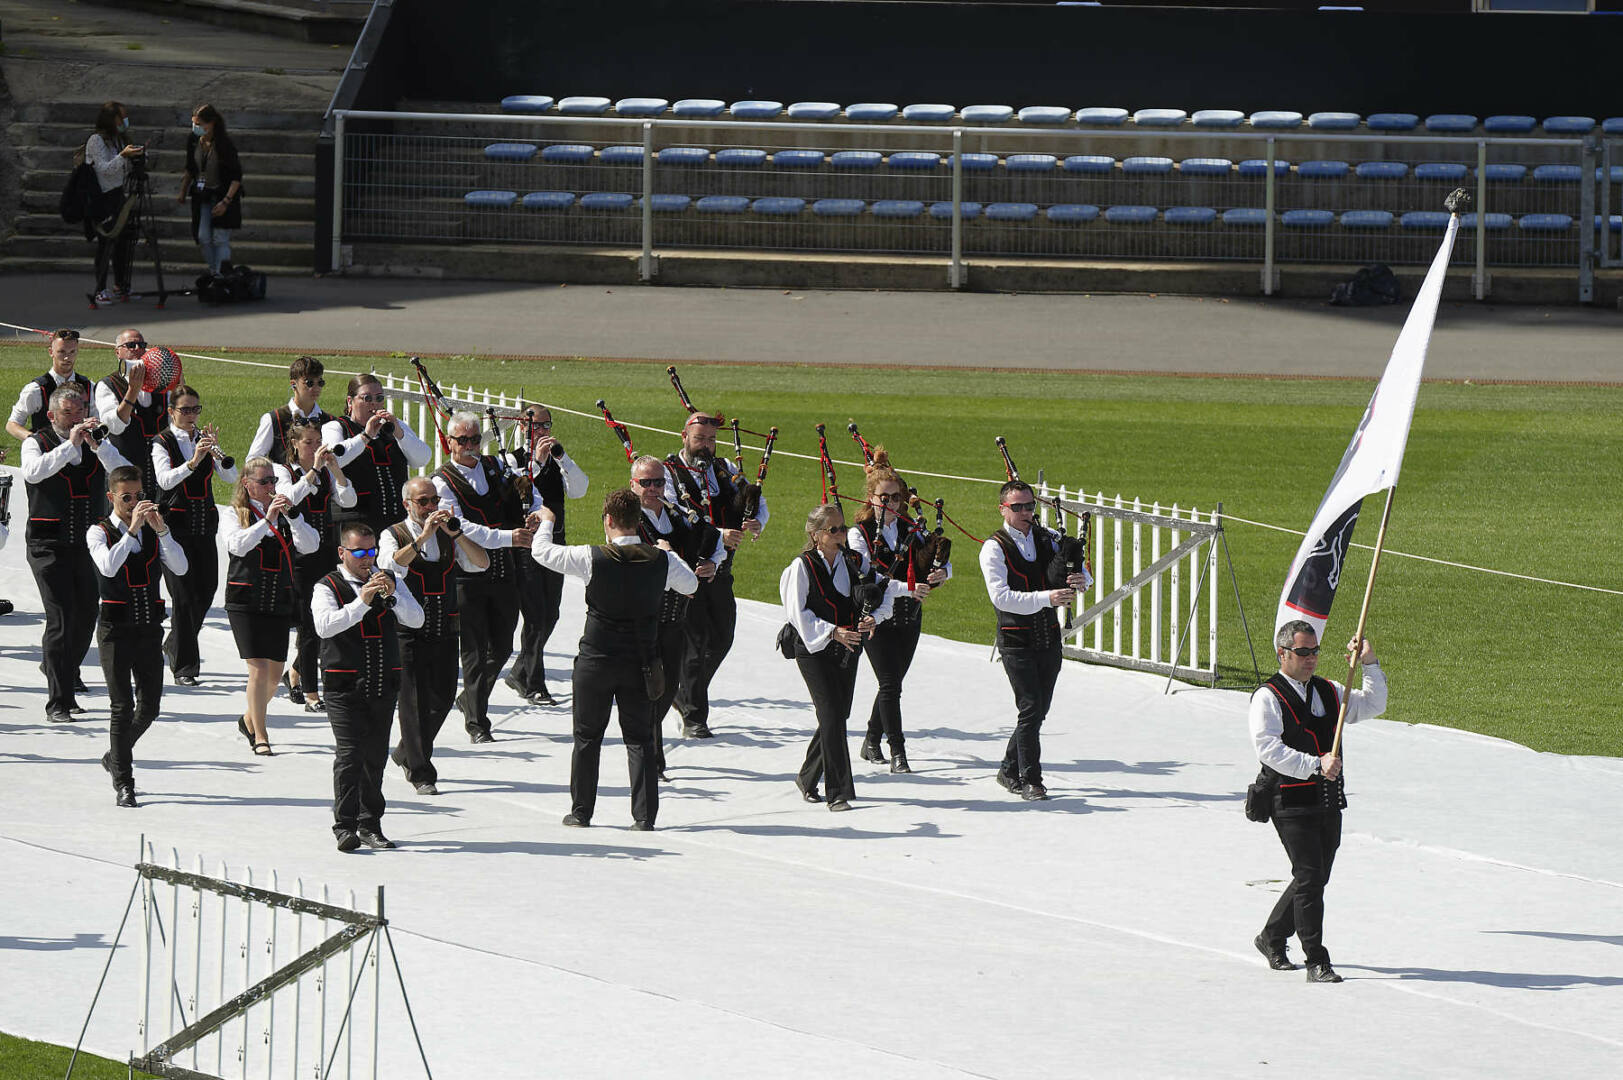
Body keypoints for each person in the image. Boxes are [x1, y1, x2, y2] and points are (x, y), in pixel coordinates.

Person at [531, 488, 697, 829]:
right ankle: (645, 816)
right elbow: (691, 585)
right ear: (638, 521)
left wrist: (547, 522)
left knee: (587, 738)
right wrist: (669, 552)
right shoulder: (659, 560)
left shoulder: (592, 557)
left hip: (596, 661)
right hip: (641, 662)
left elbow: (541, 552)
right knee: (640, 739)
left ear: (608, 520)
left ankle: (581, 812)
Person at [1250, 621, 1387, 984]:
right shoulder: (1268, 697)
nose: (1311, 659)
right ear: (1283, 654)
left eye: (1314, 651)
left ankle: (1272, 937)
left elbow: (1374, 704)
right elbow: (1269, 750)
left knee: (1313, 877)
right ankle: (1316, 960)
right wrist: (1314, 764)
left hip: (1327, 799)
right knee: (1310, 877)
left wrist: (1370, 663)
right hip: (1289, 801)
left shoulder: (1329, 689)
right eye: (1303, 652)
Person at [22, 383, 131, 721]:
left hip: (83, 544)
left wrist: (100, 447)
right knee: (61, 618)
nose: (76, 418)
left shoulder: (95, 442)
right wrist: (70, 445)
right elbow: (33, 472)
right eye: (69, 413)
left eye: (80, 410)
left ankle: (64, 678)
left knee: (85, 617)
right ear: (53, 415)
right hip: (47, 545)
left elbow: (126, 473)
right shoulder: (35, 442)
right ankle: (57, 701)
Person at [313, 522, 424, 852]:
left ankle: (369, 823)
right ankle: (343, 825)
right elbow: (324, 627)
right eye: (359, 552)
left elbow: (415, 619)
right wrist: (362, 600)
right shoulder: (327, 586)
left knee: (375, 757)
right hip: (344, 685)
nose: (367, 559)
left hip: (382, 681)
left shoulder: (387, 578)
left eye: (372, 551)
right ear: (342, 553)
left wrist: (392, 595)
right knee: (350, 755)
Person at [978, 480, 1090, 801]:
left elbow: (1079, 570)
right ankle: (1031, 779)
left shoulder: (1047, 539)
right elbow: (1002, 598)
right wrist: (1048, 597)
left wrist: (1081, 579)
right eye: (1018, 507)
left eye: (1030, 506)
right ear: (1003, 509)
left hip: (1048, 637)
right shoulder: (994, 548)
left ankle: (1008, 768)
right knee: (1029, 708)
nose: (1026, 512)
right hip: (1016, 640)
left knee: (1039, 709)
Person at [432, 412, 537, 743]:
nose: (469, 446)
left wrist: (529, 510)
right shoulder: (441, 482)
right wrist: (510, 537)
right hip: (467, 576)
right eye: (462, 440)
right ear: (448, 442)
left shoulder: (494, 468)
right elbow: (463, 528)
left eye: (474, 439)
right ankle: (478, 722)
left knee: (503, 646)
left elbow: (524, 501)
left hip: (503, 572)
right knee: (474, 652)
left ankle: (469, 700)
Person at [663, 412, 768, 738]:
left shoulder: (726, 468)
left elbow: (756, 500)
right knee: (695, 644)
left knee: (721, 639)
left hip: (721, 570)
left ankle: (681, 694)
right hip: (688, 570)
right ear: (684, 436)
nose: (706, 446)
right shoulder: (668, 474)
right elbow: (678, 515)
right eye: (700, 439)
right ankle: (695, 716)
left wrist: (755, 521)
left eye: (711, 440)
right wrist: (718, 534)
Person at [380, 476, 488, 795]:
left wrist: (457, 534)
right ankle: (421, 771)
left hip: (444, 627)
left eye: (434, 501)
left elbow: (481, 563)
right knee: (412, 702)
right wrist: (423, 537)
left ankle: (404, 752)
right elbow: (391, 566)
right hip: (407, 631)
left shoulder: (448, 534)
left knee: (441, 699)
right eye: (423, 502)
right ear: (407, 505)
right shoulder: (394, 534)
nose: (430, 507)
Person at [780, 502, 891, 812]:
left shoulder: (853, 561)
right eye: (834, 530)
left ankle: (807, 776)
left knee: (838, 715)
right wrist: (832, 632)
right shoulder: (801, 567)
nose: (842, 534)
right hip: (812, 649)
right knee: (830, 714)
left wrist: (875, 617)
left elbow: (882, 589)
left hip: (848, 647)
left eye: (843, 528)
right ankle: (838, 792)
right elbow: (796, 614)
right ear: (817, 535)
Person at [88, 465, 186, 807]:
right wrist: (131, 531)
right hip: (115, 632)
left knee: (150, 708)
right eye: (126, 497)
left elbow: (181, 567)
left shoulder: (151, 531)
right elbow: (108, 567)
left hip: (147, 629)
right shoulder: (98, 532)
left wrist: (162, 532)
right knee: (121, 706)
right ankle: (124, 781)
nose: (134, 503)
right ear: (112, 497)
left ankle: (115, 756)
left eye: (138, 496)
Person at [848, 452, 950, 774]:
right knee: (890, 683)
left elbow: (933, 558)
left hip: (910, 616)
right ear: (871, 498)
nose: (891, 502)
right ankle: (898, 752)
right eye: (885, 497)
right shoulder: (858, 533)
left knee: (892, 684)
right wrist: (908, 588)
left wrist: (942, 572)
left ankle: (871, 739)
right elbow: (868, 576)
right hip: (876, 617)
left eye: (897, 497)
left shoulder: (912, 529)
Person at [630, 454, 721, 780]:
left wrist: (712, 562)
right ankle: (650, 759)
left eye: (658, 482)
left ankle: (651, 749)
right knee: (648, 690)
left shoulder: (677, 515)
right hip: (644, 617)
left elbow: (713, 537)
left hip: (677, 616)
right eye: (646, 483)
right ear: (633, 485)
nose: (653, 489)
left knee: (668, 688)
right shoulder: (627, 520)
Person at [223, 458, 318, 755]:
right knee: (258, 669)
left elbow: (311, 546)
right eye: (263, 482)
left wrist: (294, 518)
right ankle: (261, 734)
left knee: (275, 675)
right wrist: (266, 520)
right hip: (245, 599)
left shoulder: (285, 516)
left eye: (273, 481)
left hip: (278, 597)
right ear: (247, 484)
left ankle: (249, 719)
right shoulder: (234, 513)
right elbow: (237, 546)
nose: (270, 487)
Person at [501, 402, 589, 706]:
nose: (543, 432)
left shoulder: (557, 459)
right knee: (536, 616)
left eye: (547, 426)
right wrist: (535, 463)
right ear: (523, 427)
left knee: (551, 613)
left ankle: (520, 671)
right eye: (537, 426)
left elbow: (579, 489)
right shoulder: (511, 459)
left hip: (555, 544)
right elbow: (515, 491)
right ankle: (533, 681)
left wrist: (561, 458)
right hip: (526, 546)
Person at [153, 385, 238, 686]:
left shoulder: (203, 440)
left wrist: (217, 453)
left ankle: (175, 642)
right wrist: (192, 462)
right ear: (172, 411)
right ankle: (185, 668)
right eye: (185, 409)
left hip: (203, 526)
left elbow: (232, 477)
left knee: (206, 590)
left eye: (195, 409)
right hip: (174, 529)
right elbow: (164, 479)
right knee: (185, 597)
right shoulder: (161, 443)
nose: (191, 415)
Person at [274, 419, 354, 711]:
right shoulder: (283, 471)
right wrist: (315, 470)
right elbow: (287, 499)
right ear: (294, 444)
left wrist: (335, 470)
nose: (314, 448)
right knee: (309, 625)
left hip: (327, 551)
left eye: (317, 441)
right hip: (299, 555)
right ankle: (310, 692)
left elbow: (349, 499)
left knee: (328, 620)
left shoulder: (325, 473)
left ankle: (296, 671)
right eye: (308, 443)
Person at [323, 374, 430, 536]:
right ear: (350, 401)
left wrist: (399, 432)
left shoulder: (395, 425)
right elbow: (334, 460)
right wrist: (365, 437)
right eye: (367, 398)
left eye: (379, 398)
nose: (374, 403)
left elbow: (422, 459)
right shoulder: (335, 427)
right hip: (355, 523)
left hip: (397, 521)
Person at [94, 329, 164, 497]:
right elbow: (114, 427)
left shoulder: (161, 384)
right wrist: (133, 390)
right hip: (124, 477)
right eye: (131, 345)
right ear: (118, 352)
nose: (138, 349)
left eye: (142, 345)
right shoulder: (107, 385)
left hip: (159, 473)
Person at [85, 101, 142, 305]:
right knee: (106, 243)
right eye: (121, 117)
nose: (124, 121)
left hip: (118, 194)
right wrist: (123, 156)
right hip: (102, 197)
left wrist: (133, 157)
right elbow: (104, 169)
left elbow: (122, 169)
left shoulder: (119, 139)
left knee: (124, 242)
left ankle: (121, 284)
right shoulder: (96, 140)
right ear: (112, 119)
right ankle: (100, 288)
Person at [177, 103, 243, 278]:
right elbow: (190, 167)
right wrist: (183, 191)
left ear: (212, 123)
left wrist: (226, 201)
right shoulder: (193, 141)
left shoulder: (224, 145)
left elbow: (236, 176)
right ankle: (215, 271)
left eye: (200, 124)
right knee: (203, 237)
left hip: (223, 195)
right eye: (194, 124)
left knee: (220, 238)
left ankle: (222, 274)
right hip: (203, 194)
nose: (196, 128)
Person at [7, 328, 94, 443]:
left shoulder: (89, 386)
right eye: (62, 352)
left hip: (81, 457)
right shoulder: (35, 389)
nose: (67, 358)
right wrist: (36, 441)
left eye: (72, 352)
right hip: (47, 456)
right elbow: (12, 424)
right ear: (51, 352)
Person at [248, 356, 328, 465]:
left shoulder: (330, 421)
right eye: (309, 383)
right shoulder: (274, 419)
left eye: (320, 383)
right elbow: (253, 461)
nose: (316, 388)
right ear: (293, 384)